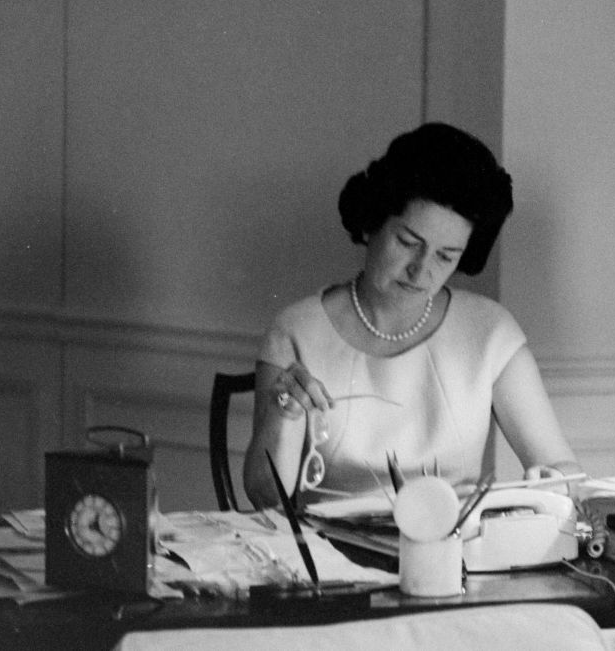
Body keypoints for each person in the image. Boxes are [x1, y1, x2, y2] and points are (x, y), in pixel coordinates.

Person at [244, 122, 580, 508]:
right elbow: (266, 498)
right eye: (407, 242)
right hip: (325, 557)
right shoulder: (296, 331)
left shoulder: (490, 332)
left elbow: (561, 467)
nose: (421, 271)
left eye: (445, 256)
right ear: (372, 222)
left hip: (455, 556)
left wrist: (551, 481)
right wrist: (283, 415)